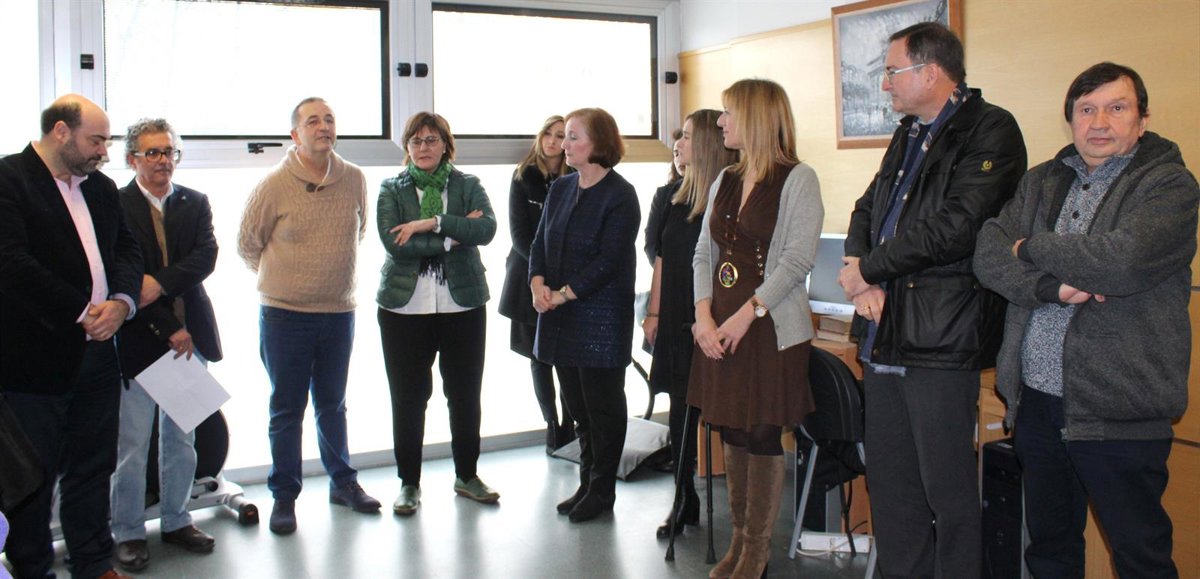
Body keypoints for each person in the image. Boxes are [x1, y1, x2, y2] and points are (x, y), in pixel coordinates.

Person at [975, 62, 1197, 579]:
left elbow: (1124, 260)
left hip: (1120, 405)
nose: (1099, 122)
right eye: (1086, 110)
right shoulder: (1041, 181)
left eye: (1116, 108)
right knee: (1049, 551)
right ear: (1071, 120)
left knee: (1140, 557)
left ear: (1142, 120)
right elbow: (987, 253)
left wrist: (1031, 247)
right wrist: (1049, 287)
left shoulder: (1169, 185)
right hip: (1037, 401)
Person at [837, 22, 1026, 578]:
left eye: (891, 72)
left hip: (941, 336)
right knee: (892, 487)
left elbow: (957, 228)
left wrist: (870, 269)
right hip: (884, 332)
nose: (885, 85)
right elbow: (866, 209)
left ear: (931, 72)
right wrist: (860, 271)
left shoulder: (991, 130)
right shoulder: (908, 133)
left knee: (947, 491)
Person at [0, 94, 142, 579]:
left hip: (100, 353)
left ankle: (93, 561)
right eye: (95, 140)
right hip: (33, 360)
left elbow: (127, 250)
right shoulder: (9, 179)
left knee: (93, 466)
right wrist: (82, 312)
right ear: (60, 132)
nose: (104, 151)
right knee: (32, 476)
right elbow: (11, 263)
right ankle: (32, 567)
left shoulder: (100, 188)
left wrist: (121, 303)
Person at [688, 79, 823, 579]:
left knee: (762, 433)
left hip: (769, 329)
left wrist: (746, 314)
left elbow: (796, 261)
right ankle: (739, 543)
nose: (721, 122)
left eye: (729, 113)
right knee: (731, 429)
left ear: (757, 118)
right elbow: (703, 254)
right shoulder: (725, 177)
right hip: (719, 325)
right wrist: (703, 315)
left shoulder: (798, 178)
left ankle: (757, 552)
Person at [238, 96, 381, 535]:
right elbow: (248, 244)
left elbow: (358, 232)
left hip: (338, 313)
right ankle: (284, 496)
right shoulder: (273, 185)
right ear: (295, 134)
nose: (324, 127)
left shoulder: (354, 178)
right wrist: (288, 280)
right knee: (287, 408)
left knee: (332, 403)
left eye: (330, 119)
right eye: (313, 121)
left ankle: (343, 483)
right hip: (284, 316)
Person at [110, 118, 222, 571]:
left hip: (190, 337)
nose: (162, 161)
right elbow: (123, 275)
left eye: (168, 151)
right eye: (152, 152)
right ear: (132, 158)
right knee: (133, 446)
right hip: (139, 337)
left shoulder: (195, 202)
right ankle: (128, 532)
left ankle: (177, 520)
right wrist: (164, 321)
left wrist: (159, 284)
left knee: (182, 438)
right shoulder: (115, 206)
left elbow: (205, 257)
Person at [377, 112, 500, 515]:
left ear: (446, 145)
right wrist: (452, 237)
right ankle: (408, 483)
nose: (423, 147)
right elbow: (396, 244)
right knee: (408, 399)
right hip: (403, 308)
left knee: (464, 395)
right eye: (416, 141)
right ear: (407, 147)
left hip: (462, 305)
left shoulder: (468, 185)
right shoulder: (391, 189)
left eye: (431, 140)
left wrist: (430, 223)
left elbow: (486, 230)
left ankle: (467, 475)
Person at [529, 107, 640, 523]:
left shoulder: (621, 195)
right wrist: (537, 283)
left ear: (599, 144)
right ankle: (586, 482)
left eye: (574, 136)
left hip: (601, 320)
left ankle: (602, 490)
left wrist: (562, 294)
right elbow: (539, 242)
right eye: (565, 136)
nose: (564, 144)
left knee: (603, 410)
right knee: (576, 407)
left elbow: (609, 260)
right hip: (560, 315)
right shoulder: (561, 188)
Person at [643, 110, 736, 539]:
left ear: (710, 145)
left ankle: (742, 515)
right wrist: (653, 313)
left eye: (686, 136)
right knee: (680, 411)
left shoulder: (729, 194)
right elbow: (659, 256)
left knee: (723, 410)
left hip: (716, 318)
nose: (678, 143)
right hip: (676, 314)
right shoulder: (671, 196)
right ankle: (683, 497)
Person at [498, 115, 575, 454]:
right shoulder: (523, 176)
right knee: (538, 357)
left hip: (565, 282)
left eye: (560, 135)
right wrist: (539, 275)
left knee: (568, 357)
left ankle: (571, 423)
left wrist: (557, 276)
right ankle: (551, 424)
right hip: (527, 279)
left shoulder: (575, 178)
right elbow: (519, 235)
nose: (552, 141)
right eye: (548, 134)